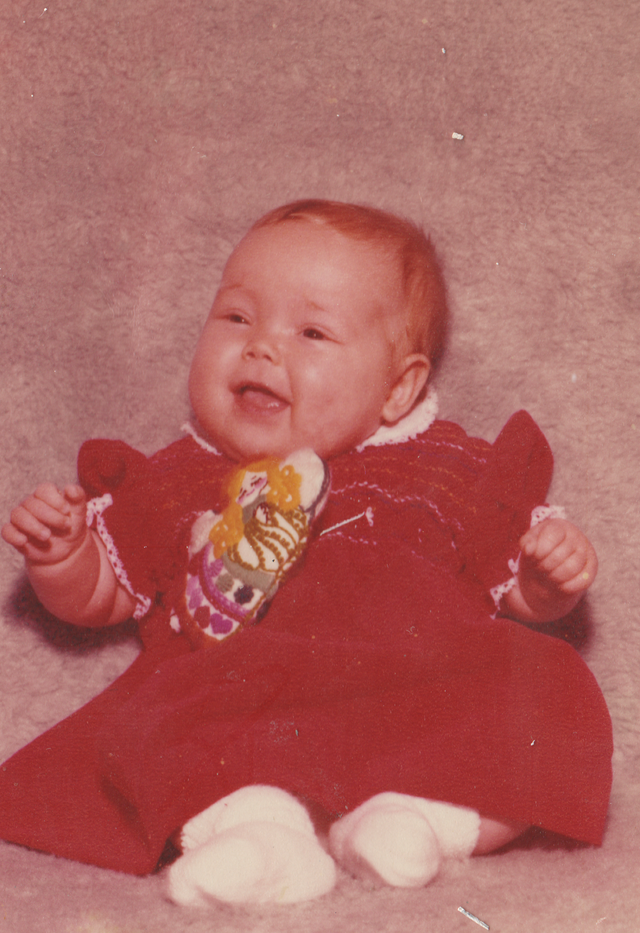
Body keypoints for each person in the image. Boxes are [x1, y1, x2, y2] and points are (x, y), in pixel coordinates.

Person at [1, 200, 611, 906]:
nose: (262, 347)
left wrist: (546, 575)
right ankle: (264, 832)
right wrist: (62, 554)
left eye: (312, 331)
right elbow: (100, 594)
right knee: (156, 731)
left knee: (542, 696)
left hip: (411, 682)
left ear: (399, 388)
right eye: (236, 317)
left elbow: (516, 596)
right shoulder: (177, 478)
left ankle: (422, 820)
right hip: (238, 696)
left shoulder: (446, 470)